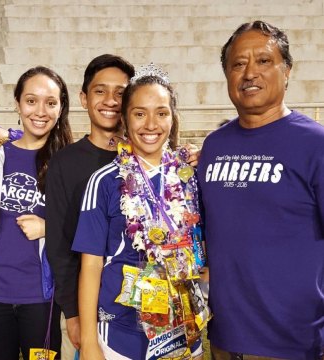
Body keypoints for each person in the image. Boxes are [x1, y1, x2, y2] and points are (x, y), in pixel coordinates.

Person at [197, 20, 324, 359]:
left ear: (287, 71)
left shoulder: (315, 144)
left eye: (263, 61)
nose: (249, 72)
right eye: (238, 64)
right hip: (224, 340)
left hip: (294, 344)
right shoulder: (213, 147)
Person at [72, 65, 210, 359]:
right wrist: (88, 342)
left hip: (182, 331)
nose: (151, 124)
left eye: (161, 112)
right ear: (124, 118)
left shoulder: (190, 178)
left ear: (173, 118)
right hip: (121, 335)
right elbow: (91, 265)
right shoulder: (104, 181)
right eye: (139, 113)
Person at [0, 66, 72, 360]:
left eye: (51, 102)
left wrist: (51, 227)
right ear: (17, 103)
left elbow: (91, 224)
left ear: (61, 108)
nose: (40, 111)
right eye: (31, 100)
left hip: (42, 297)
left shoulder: (70, 162)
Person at [45, 54, 135, 355]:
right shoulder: (64, 162)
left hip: (141, 305)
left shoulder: (145, 158)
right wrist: (73, 313)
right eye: (100, 91)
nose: (110, 100)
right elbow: (59, 244)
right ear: (84, 98)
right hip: (87, 307)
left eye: (121, 93)